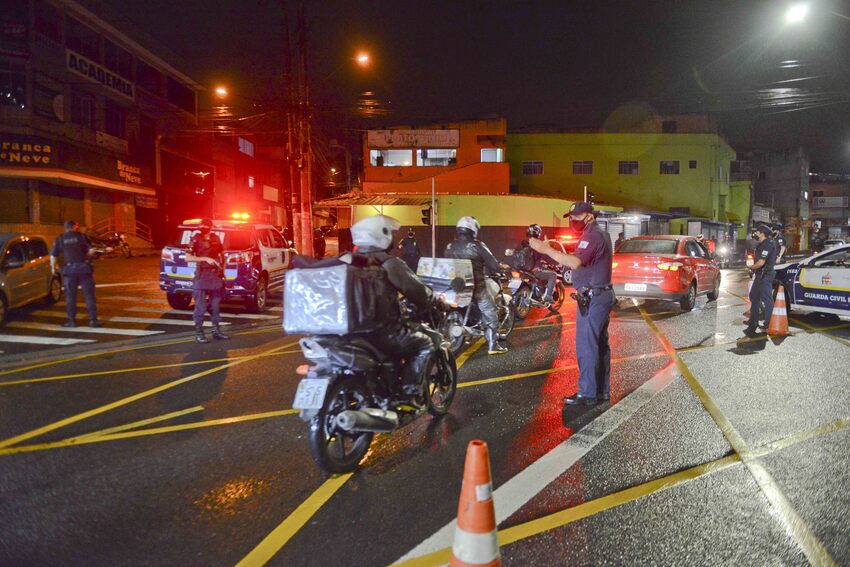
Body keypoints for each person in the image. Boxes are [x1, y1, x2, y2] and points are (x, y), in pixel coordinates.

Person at [350, 215, 445, 404]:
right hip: (381, 331)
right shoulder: (389, 263)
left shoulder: (346, 262)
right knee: (426, 342)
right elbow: (418, 292)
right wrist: (436, 301)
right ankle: (409, 394)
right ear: (382, 236)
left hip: (346, 332)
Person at [530, 202, 614, 405]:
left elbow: (575, 262)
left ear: (589, 216)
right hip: (600, 295)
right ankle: (600, 391)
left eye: (576, 217)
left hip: (593, 298)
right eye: (571, 217)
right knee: (599, 346)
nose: (572, 221)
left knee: (587, 347)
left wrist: (546, 249)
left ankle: (587, 394)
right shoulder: (601, 233)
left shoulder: (592, 235)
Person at [445, 216, 510, 355]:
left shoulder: (450, 246)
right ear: (473, 230)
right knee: (490, 312)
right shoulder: (477, 245)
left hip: (455, 287)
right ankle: (493, 344)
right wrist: (500, 269)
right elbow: (493, 264)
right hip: (476, 287)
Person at [186, 218, 230, 343]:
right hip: (202, 275)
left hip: (215, 275)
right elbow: (187, 257)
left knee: (215, 306)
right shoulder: (195, 239)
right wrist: (205, 258)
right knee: (200, 307)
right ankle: (199, 333)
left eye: (206, 226)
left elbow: (222, 255)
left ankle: (216, 331)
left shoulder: (216, 238)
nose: (204, 228)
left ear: (211, 227)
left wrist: (223, 271)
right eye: (202, 226)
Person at [50, 220, 101, 328]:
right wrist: (88, 257)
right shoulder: (82, 237)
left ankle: (72, 321)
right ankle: (93, 321)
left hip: (69, 271)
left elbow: (53, 255)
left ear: (65, 228)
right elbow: (91, 251)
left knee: (70, 297)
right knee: (89, 296)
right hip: (84, 270)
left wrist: (53, 269)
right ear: (74, 227)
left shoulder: (60, 239)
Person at [513, 224, 558, 308]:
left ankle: (537, 293)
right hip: (535, 270)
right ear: (538, 233)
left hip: (522, 270)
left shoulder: (523, 244)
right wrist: (556, 262)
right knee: (553, 275)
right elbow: (547, 258)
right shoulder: (538, 245)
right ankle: (548, 296)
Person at [745, 225, 778, 333]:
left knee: (767, 299)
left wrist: (750, 268)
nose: (755, 234)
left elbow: (761, 262)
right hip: (760, 274)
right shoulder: (761, 244)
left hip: (766, 274)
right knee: (754, 296)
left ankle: (769, 323)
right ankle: (753, 321)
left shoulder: (768, 244)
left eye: (757, 232)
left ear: (762, 233)